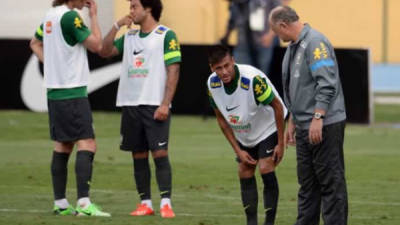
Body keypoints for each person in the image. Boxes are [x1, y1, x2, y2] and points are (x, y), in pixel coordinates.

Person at [99, 0, 180, 218]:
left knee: (160, 153)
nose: (131, 10)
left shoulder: (166, 35)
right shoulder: (129, 37)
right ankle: (145, 203)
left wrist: (165, 103)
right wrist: (116, 25)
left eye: (134, 6)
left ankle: (165, 203)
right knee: (138, 155)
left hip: (154, 103)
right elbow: (104, 51)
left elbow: (173, 70)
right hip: (130, 103)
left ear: (149, 9)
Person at [29, 0, 110, 217]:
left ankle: (61, 203)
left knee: (63, 145)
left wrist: (53, 64)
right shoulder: (70, 17)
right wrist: (94, 15)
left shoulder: (50, 15)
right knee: (88, 143)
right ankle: (84, 205)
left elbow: (34, 43)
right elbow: (97, 45)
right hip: (71, 92)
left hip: (55, 91)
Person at [269, 6, 348, 225]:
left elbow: (327, 84)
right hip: (304, 125)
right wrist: (292, 122)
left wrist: (318, 117)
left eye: (277, 32)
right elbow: (299, 88)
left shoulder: (315, 42)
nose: (277, 37)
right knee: (307, 185)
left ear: (284, 25)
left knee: (330, 183)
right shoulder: (294, 46)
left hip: (324, 124)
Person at [207, 45, 287, 225]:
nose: (224, 71)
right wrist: (237, 150)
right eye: (219, 68)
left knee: (265, 167)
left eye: (227, 65)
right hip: (244, 132)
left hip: (268, 126)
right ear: (212, 68)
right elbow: (221, 118)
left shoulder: (253, 80)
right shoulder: (212, 84)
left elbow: (278, 107)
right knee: (244, 170)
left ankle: (269, 222)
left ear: (233, 61)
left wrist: (281, 143)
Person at [220, 0, 281, 76]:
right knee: (240, 72)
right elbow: (233, 17)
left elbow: (279, 14)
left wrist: (270, 35)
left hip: (263, 40)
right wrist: (226, 36)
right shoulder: (237, 3)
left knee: (261, 76)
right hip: (243, 42)